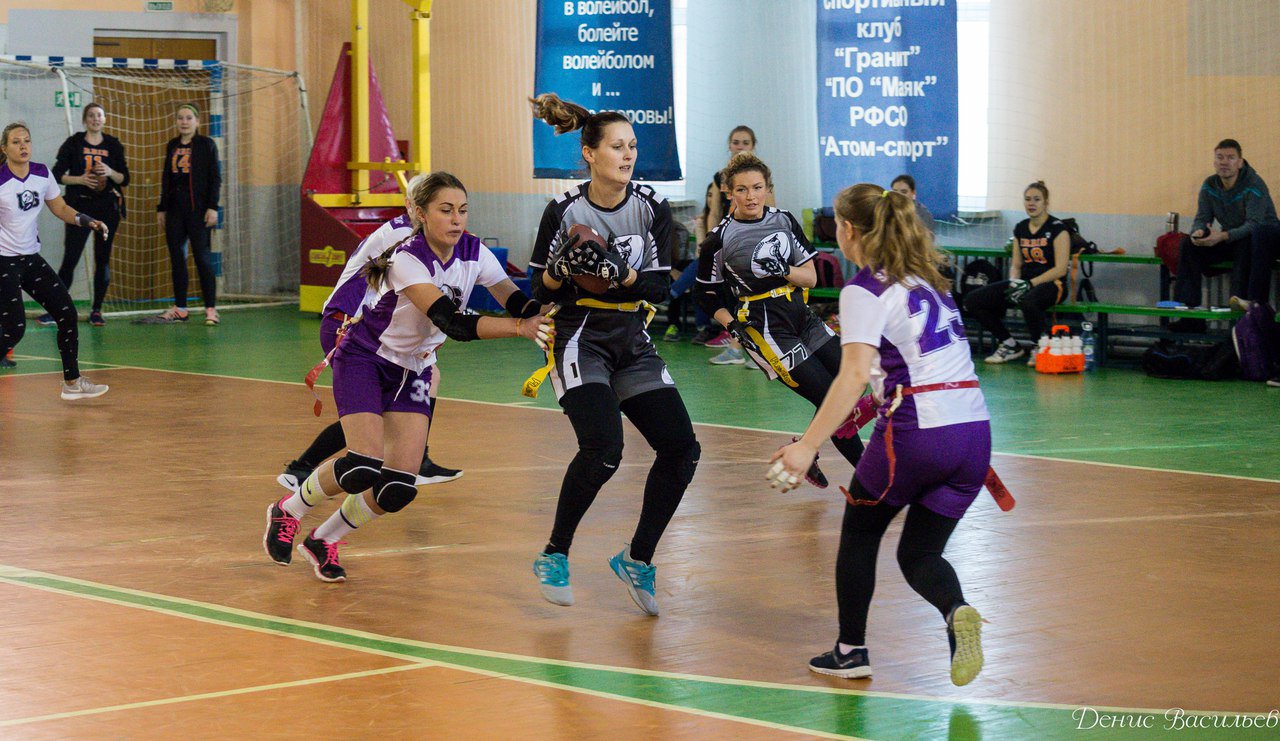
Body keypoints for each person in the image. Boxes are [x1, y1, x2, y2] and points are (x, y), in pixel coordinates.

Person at [262, 171, 551, 582]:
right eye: (446, 210)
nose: (457, 219)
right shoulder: (406, 257)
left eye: (463, 210)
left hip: (414, 365)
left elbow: (517, 300)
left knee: (398, 486)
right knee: (362, 464)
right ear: (421, 214)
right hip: (366, 356)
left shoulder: (474, 252)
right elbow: (452, 322)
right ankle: (287, 510)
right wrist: (521, 328)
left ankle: (324, 539)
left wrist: (551, 312)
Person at [770, 184, 989, 687]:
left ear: (848, 230)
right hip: (975, 434)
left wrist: (808, 446)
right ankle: (956, 609)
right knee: (920, 554)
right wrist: (870, 405)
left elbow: (852, 374)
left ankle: (851, 652)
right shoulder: (930, 280)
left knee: (860, 534)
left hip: (919, 433)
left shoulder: (863, 289)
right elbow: (920, 366)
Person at [527, 93, 700, 616]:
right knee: (604, 448)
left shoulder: (651, 207)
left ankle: (637, 558)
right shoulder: (563, 211)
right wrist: (559, 272)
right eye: (617, 147)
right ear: (590, 153)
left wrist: (617, 273)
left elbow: (659, 288)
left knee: (682, 449)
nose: (628, 155)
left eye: (633, 146)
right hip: (580, 335)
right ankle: (555, 552)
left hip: (631, 338)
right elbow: (539, 288)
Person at [277, 188, 462, 492]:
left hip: (368, 323)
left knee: (426, 379)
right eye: (443, 208)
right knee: (378, 404)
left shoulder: (413, 234)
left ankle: (419, 460)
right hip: (348, 321)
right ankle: (302, 468)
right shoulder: (405, 236)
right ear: (416, 208)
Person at [696, 152, 863, 481]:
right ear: (729, 192)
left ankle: (805, 447)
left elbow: (810, 278)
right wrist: (731, 325)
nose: (751, 196)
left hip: (802, 316)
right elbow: (705, 294)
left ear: (768, 188)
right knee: (831, 398)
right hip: (765, 327)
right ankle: (872, 480)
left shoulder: (784, 220)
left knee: (852, 380)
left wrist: (783, 270)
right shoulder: (719, 239)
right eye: (742, 189)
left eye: (757, 187)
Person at [0, 122, 111, 399]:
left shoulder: (41, 173)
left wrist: (88, 220)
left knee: (67, 314)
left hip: (30, 258)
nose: (23, 146)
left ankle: (72, 384)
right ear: (4, 148)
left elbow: (60, 207)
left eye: (27, 140)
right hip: (3, 261)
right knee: (14, 328)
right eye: (16, 142)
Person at [38, 102, 129, 328]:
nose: (95, 119)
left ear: (104, 119)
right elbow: (56, 175)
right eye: (91, 115)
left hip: (107, 208)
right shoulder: (74, 143)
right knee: (70, 258)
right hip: (80, 206)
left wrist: (109, 172)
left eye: (99, 115)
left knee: (103, 259)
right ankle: (55, 310)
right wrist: (80, 179)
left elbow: (124, 178)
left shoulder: (113, 145)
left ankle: (97, 310)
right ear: (85, 119)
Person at [1172, 139, 1278, 331]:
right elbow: (1202, 217)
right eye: (1220, 157)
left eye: (1230, 158)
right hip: (1229, 238)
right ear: (1214, 161)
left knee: (1246, 243)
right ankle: (1190, 316)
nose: (1224, 162)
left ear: (1240, 162)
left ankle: (1238, 325)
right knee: (1188, 244)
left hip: (1257, 241)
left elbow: (1253, 225)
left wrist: (1222, 236)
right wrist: (1198, 232)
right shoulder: (1209, 185)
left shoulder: (1254, 184)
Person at [963, 181, 1069, 364]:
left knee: (1029, 301)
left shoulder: (1058, 229)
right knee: (972, 300)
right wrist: (1014, 283)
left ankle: (1040, 345)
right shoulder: (1021, 228)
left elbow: (1060, 269)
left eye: (1036, 199)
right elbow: (1017, 264)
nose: (1031, 203)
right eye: (1028, 199)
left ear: (1046, 202)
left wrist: (1030, 284)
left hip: (1053, 284)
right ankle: (1009, 344)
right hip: (1024, 283)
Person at [148, 103, 221, 326]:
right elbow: (166, 178)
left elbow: (215, 178)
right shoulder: (172, 145)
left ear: (197, 122)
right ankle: (180, 308)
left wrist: (213, 207)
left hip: (198, 212)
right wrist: (162, 208)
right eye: (180, 118)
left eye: (189, 118)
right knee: (177, 259)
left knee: (202, 259)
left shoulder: (206, 145)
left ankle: (211, 309)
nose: (184, 122)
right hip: (175, 212)